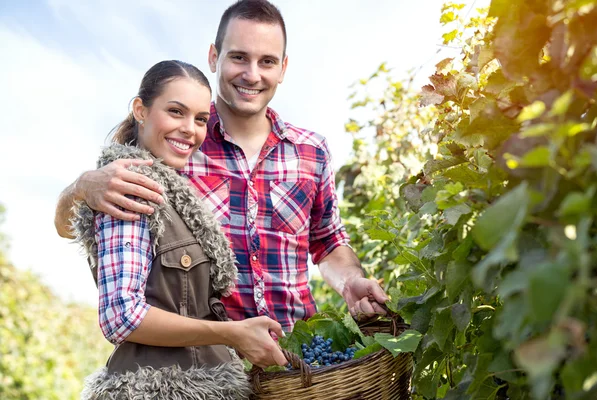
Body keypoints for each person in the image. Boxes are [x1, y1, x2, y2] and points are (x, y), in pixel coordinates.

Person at [56, 0, 388, 333]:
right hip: (207, 365)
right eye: (239, 57)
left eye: (267, 61)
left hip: (297, 361)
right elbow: (75, 228)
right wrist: (82, 188)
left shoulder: (311, 152)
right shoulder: (176, 146)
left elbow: (328, 242)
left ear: (283, 68)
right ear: (214, 57)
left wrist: (349, 282)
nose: (252, 74)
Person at [71, 60, 286, 399]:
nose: (190, 129)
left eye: (201, 119)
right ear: (140, 110)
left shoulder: (176, 194)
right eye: (176, 111)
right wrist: (231, 333)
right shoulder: (127, 188)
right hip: (156, 390)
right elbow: (121, 316)